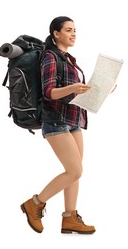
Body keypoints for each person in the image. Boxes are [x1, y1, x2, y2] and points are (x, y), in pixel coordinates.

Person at [20, 16, 95, 235]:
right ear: (56, 33)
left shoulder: (69, 59)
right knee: (74, 170)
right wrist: (73, 87)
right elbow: (49, 92)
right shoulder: (50, 57)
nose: (73, 34)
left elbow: (73, 92)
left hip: (73, 120)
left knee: (75, 173)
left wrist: (95, 91)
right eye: (68, 30)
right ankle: (34, 203)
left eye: (75, 30)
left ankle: (70, 218)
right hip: (56, 121)